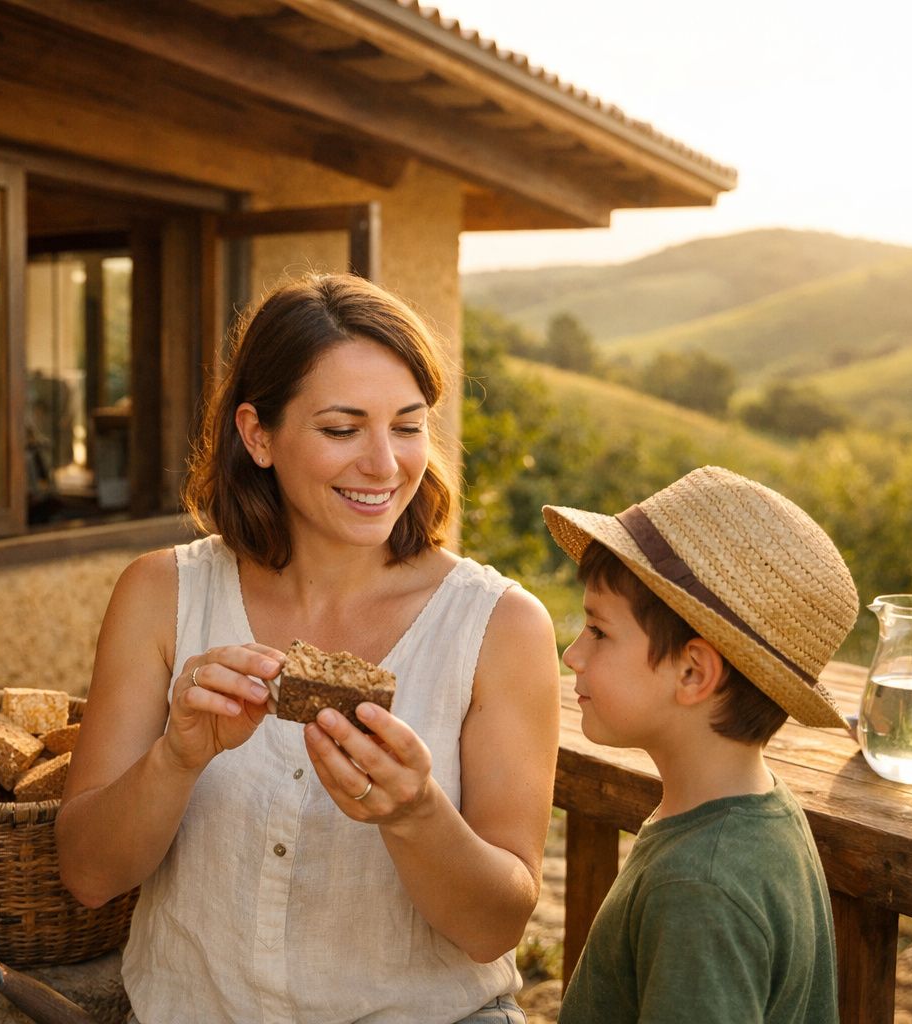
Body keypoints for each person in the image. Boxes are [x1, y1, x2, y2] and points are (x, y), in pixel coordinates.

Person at [55, 274, 562, 1024]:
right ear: (258, 435)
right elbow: (88, 875)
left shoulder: (502, 626)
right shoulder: (161, 595)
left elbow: (496, 928)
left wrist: (417, 813)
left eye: (408, 426)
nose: (385, 464)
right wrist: (176, 758)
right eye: (341, 429)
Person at [545, 466, 855, 1023]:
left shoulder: (699, 887)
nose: (573, 655)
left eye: (598, 631)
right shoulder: (758, 813)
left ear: (693, 673)